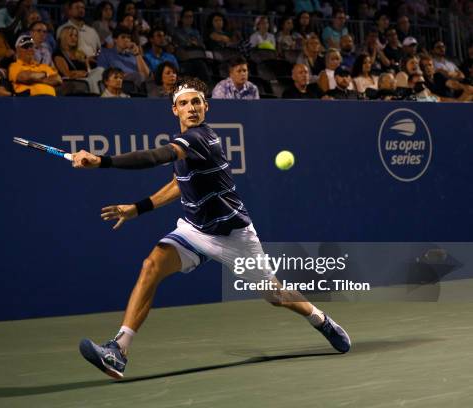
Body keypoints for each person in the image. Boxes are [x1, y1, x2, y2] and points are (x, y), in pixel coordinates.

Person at [71, 76, 351, 379]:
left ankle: (319, 319)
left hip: (234, 236)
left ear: (206, 106)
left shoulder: (200, 138)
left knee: (275, 295)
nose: (191, 108)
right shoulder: (187, 145)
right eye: (183, 103)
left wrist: (102, 161)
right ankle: (118, 351)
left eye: (196, 102)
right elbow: (179, 184)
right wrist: (139, 208)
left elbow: (156, 156)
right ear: (174, 110)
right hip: (195, 230)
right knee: (151, 265)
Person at [53, 25, 103, 94]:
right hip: (71, 83)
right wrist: (79, 73)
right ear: (63, 37)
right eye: (71, 35)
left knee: (100, 70)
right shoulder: (58, 55)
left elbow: (88, 71)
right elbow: (66, 74)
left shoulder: (80, 53)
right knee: (93, 78)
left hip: (86, 80)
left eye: (76, 36)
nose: (74, 38)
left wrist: (87, 62)